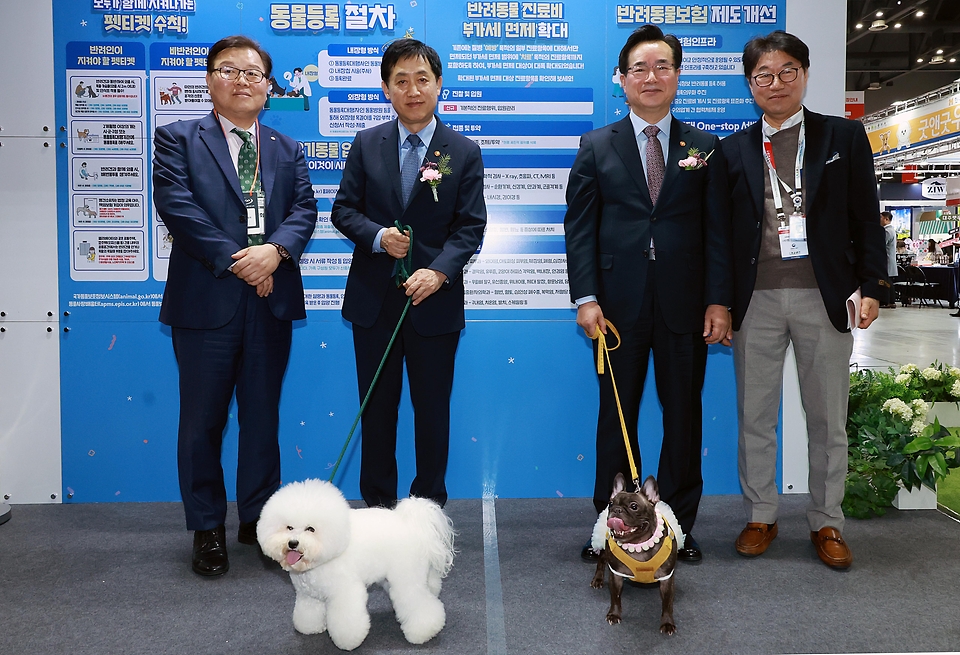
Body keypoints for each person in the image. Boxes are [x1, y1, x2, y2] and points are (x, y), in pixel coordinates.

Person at [564, 24, 733, 564]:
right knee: (617, 417)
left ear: (678, 75)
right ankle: (609, 525)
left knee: (683, 414)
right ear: (622, 79)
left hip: (685, 306)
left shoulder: (704, 148)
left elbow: (718, 233)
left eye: (663, 67)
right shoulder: (595, 146)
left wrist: (719, 300)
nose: (651, 77)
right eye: (640, 68)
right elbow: (580, 229)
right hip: (616, 308)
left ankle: (678, 526)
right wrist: (585, 297)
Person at [721, 31, 888, 570]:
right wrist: (719, 302)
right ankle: (761, 514)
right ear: (750, 84)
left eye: (787, 71)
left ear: (805, 74)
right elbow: (720, 236)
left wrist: (873, 286)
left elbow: (867, 215)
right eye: (764, 75)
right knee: (755, 416)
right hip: (757, 301)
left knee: (827, 418)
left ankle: (827, 520)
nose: (776, 83)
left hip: (826, 296)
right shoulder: (733, 149)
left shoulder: (843, 136)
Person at [153, 35, 317, 577]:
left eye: (253, 73)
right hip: (207, 301)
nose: (242, 80)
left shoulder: (287, 148)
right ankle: (206, 529)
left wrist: (274, 253)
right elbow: (177, 207)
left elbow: (304, 210)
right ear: (209, 81)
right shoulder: (177, 139)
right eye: (229, 70)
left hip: (270, 302)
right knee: (201, 422)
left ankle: (258, 521)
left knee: (261, 418)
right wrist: (241, 260)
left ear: (268, 88)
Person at [330, 38, 486, 509]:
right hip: (373, 302)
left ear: (438, 85)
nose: (412, 89)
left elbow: (470, 228)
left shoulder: (462, 150)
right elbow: (342, 211)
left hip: (433, 304)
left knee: (431, 412)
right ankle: (377, 509)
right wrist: (379, 237)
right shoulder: (365, 142)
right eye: (401, 80)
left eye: (422, 79)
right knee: (377, 410)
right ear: (385, 88)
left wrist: (438, 273)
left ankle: (427, 511)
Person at [881, 211, 897, 308]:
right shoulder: (890, 230)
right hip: (888, 259)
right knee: (887, 280)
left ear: (886, 219)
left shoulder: (887, 231)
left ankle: (890, 301)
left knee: (887, 281)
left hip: (887, 260)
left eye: (881, 217)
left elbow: (881, 244)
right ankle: (889, 301)